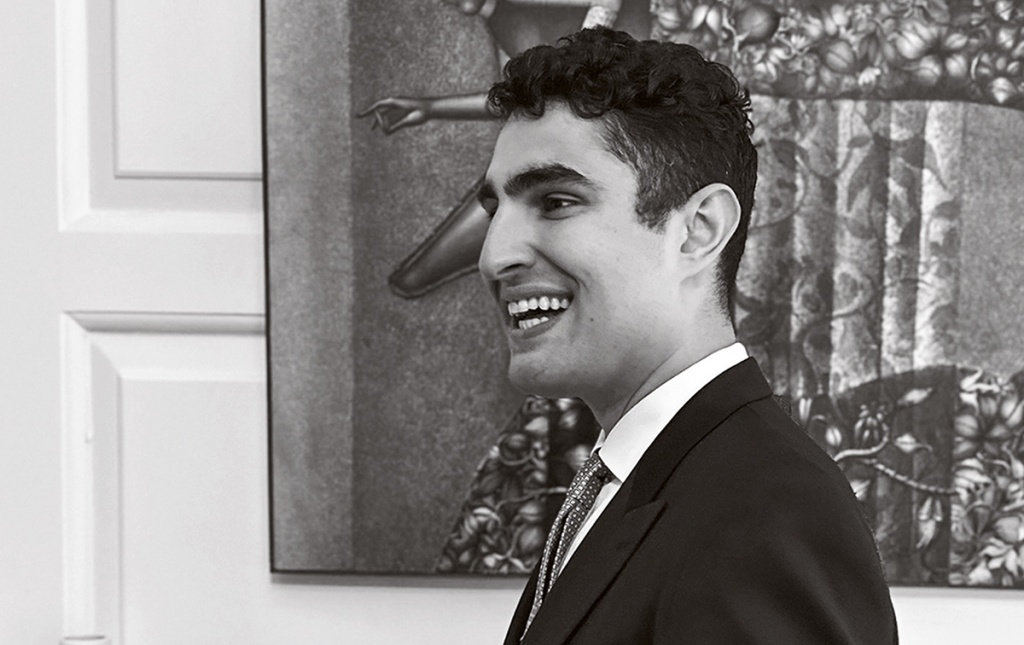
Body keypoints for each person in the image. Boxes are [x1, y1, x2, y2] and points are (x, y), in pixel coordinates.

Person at [476, 27, 899, 644]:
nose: (495, 256)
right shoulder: (648, 477)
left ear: (699, 230)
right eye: (496, 210)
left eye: (557, 201)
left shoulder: (768, 510)